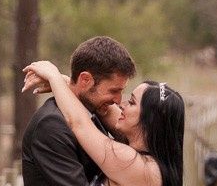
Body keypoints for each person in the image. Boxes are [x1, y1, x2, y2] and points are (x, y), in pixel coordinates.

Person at [22, 61, 185, 186]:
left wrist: (53, 75)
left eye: (132, 102)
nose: (121, 104)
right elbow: (104, 109)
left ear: (148, 121)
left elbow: (79, 124)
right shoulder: (156, 166)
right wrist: (73, 85)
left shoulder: (132, 163)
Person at [21, 36, 137, 186]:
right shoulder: (52, 125)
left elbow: (136, 141)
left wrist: (61, 82)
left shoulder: (95, 110)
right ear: (85, 80)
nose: (118, 100)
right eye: (113, 90)